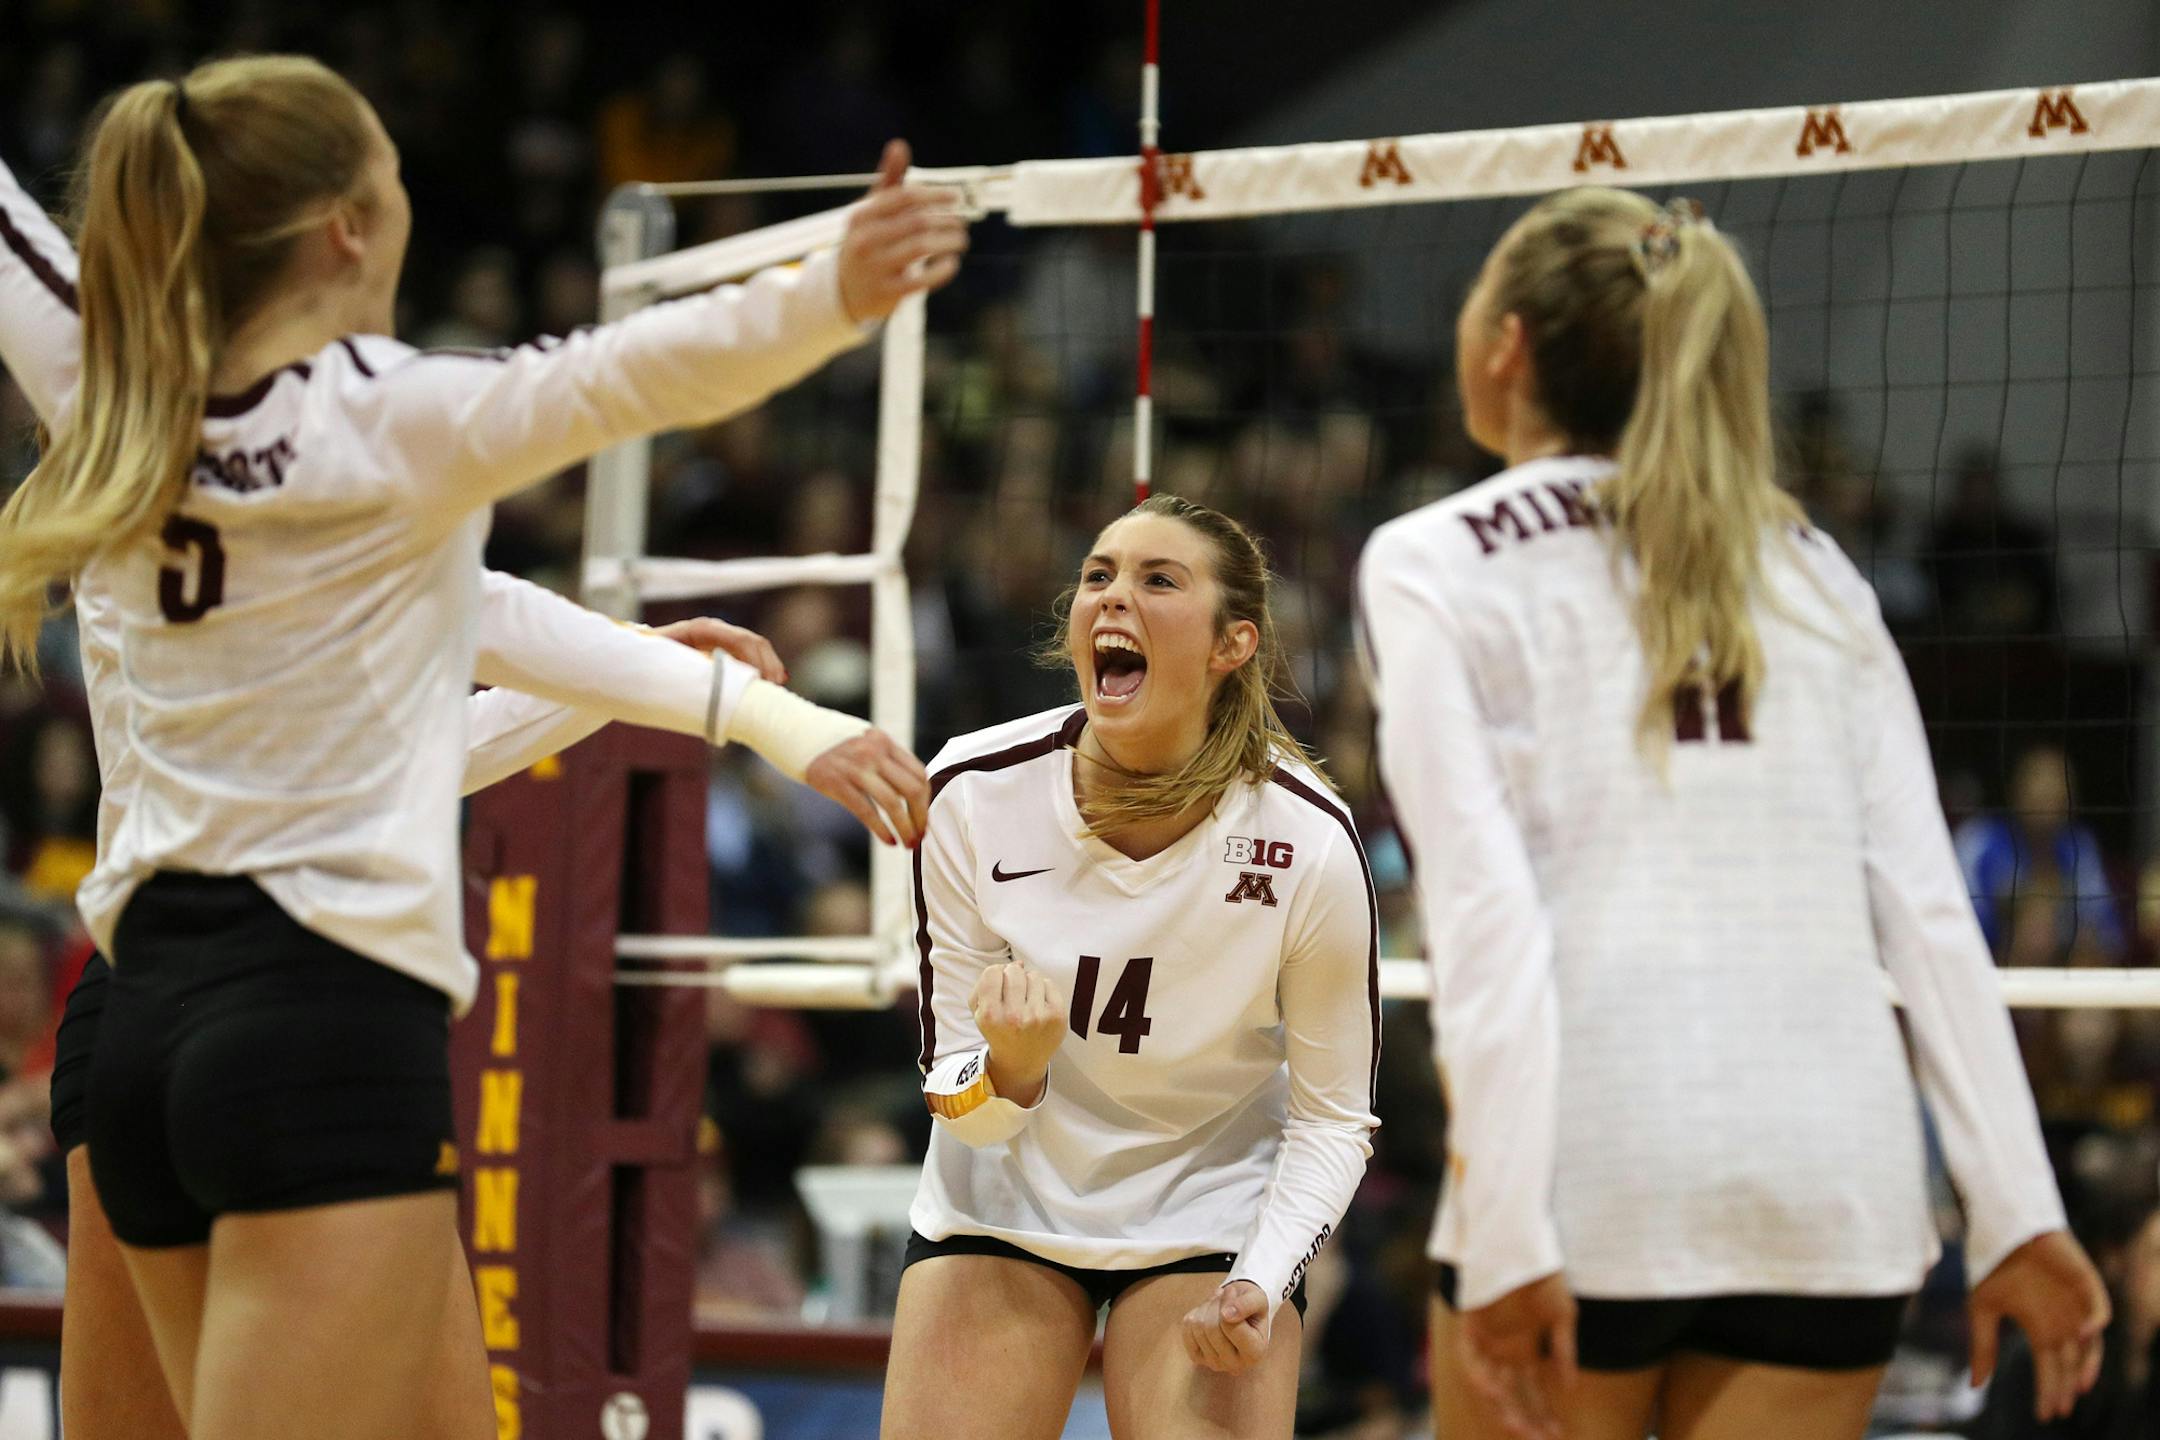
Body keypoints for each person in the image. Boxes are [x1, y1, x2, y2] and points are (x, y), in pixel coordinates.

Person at [0, 54, 958, 1440]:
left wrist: (713, 700)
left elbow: (471, 636)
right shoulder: (387, 416)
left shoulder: (111, 395)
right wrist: (837, 290)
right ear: (349, 227)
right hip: (317, 1016)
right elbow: (633, 372)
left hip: (139, 1016)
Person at [1356, 189, 2108, 1440]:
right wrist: (2018, 1211)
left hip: (1592, 1177)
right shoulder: (1818, 569)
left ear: (1507, 347)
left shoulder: (1435, 559)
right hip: (1831, 1193)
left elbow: (1486, 926)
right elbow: (1930, 916)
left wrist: (1507, 1235)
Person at [884, 494, 1380, 1440]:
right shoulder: (973, 791)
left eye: (1159, 581)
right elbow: (957, 1098)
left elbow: (1333, 1120)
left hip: (1210, 1210)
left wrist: (1262, 1279)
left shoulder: (1307, 839)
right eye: (1098, 576)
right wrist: (1012, 1070)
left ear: (1232, 643)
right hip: (1005, 1200)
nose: (1113, 596)